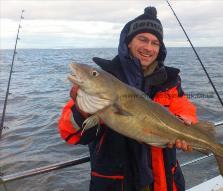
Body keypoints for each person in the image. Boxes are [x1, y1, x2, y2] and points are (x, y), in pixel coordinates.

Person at [58, 6, 198, 191]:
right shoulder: (107, 77)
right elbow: (69, 133)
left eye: (155, 43)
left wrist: (184, 125)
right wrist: (82, 110)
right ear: (128, 42)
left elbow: (185, 109)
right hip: (117, 184)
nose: (148, 47)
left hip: (164, 181)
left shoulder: (169, 81)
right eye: (142, 39)